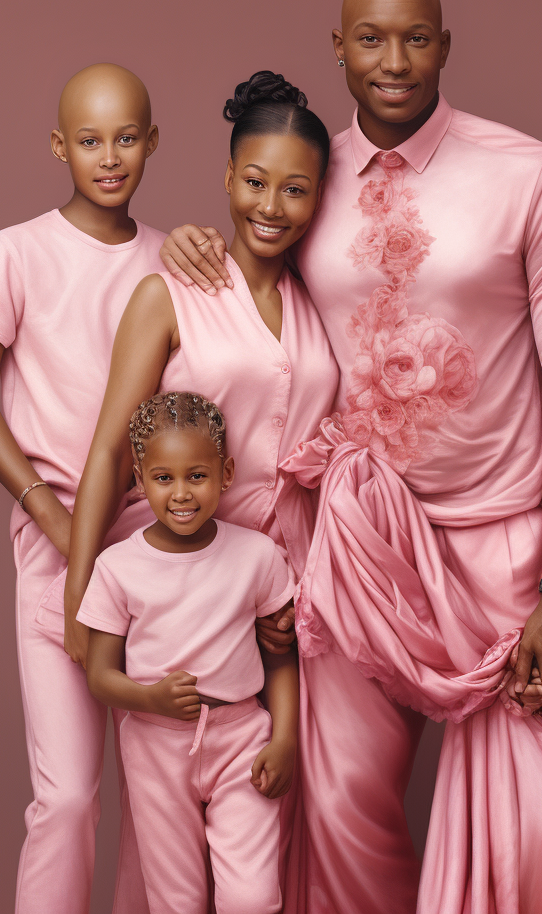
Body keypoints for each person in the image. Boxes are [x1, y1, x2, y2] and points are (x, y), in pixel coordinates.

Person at [161, 0, 542, 914]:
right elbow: (254, 239)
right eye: (370, 38)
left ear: (445, 46)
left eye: (415, 39)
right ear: (339, 49)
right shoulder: (313, 181)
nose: (393, 60)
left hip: (499, 545)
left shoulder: (533, 173)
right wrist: (185, 244)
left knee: (535, 842)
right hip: (355, 543)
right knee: (338, 808)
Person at [65, 71, 338, 891]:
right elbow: (111, 450)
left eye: (295, 189)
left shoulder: (320, 299)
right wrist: (82, 601)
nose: (270, 205)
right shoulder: (170, 290)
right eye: (254, 182)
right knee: (170, 832)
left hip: (294, 575)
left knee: (280, 807)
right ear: (226, 178)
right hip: (186, 568)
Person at [0, 63, 162, 914]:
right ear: (58, 146)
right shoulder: (19, 250)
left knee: (158, 804)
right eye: (88, 140)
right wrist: (45, 508)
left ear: (152, 141)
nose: (108, 157)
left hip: (153, 552)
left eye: (124, 138)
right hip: (53, 545)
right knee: (70, 795)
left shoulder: (169, 259)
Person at [79, 391, 298, 914]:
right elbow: (99, 676)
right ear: (139, 479)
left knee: (252, 898)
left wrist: (285, 737)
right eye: (164, 478)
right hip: (155, 747)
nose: (181, 493)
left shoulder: (257, 557)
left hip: (242, 739)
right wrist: (150, 699)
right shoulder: (117, 568)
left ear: (225, 474)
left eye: (197, 476)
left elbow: (281, 658)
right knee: (176, 901)